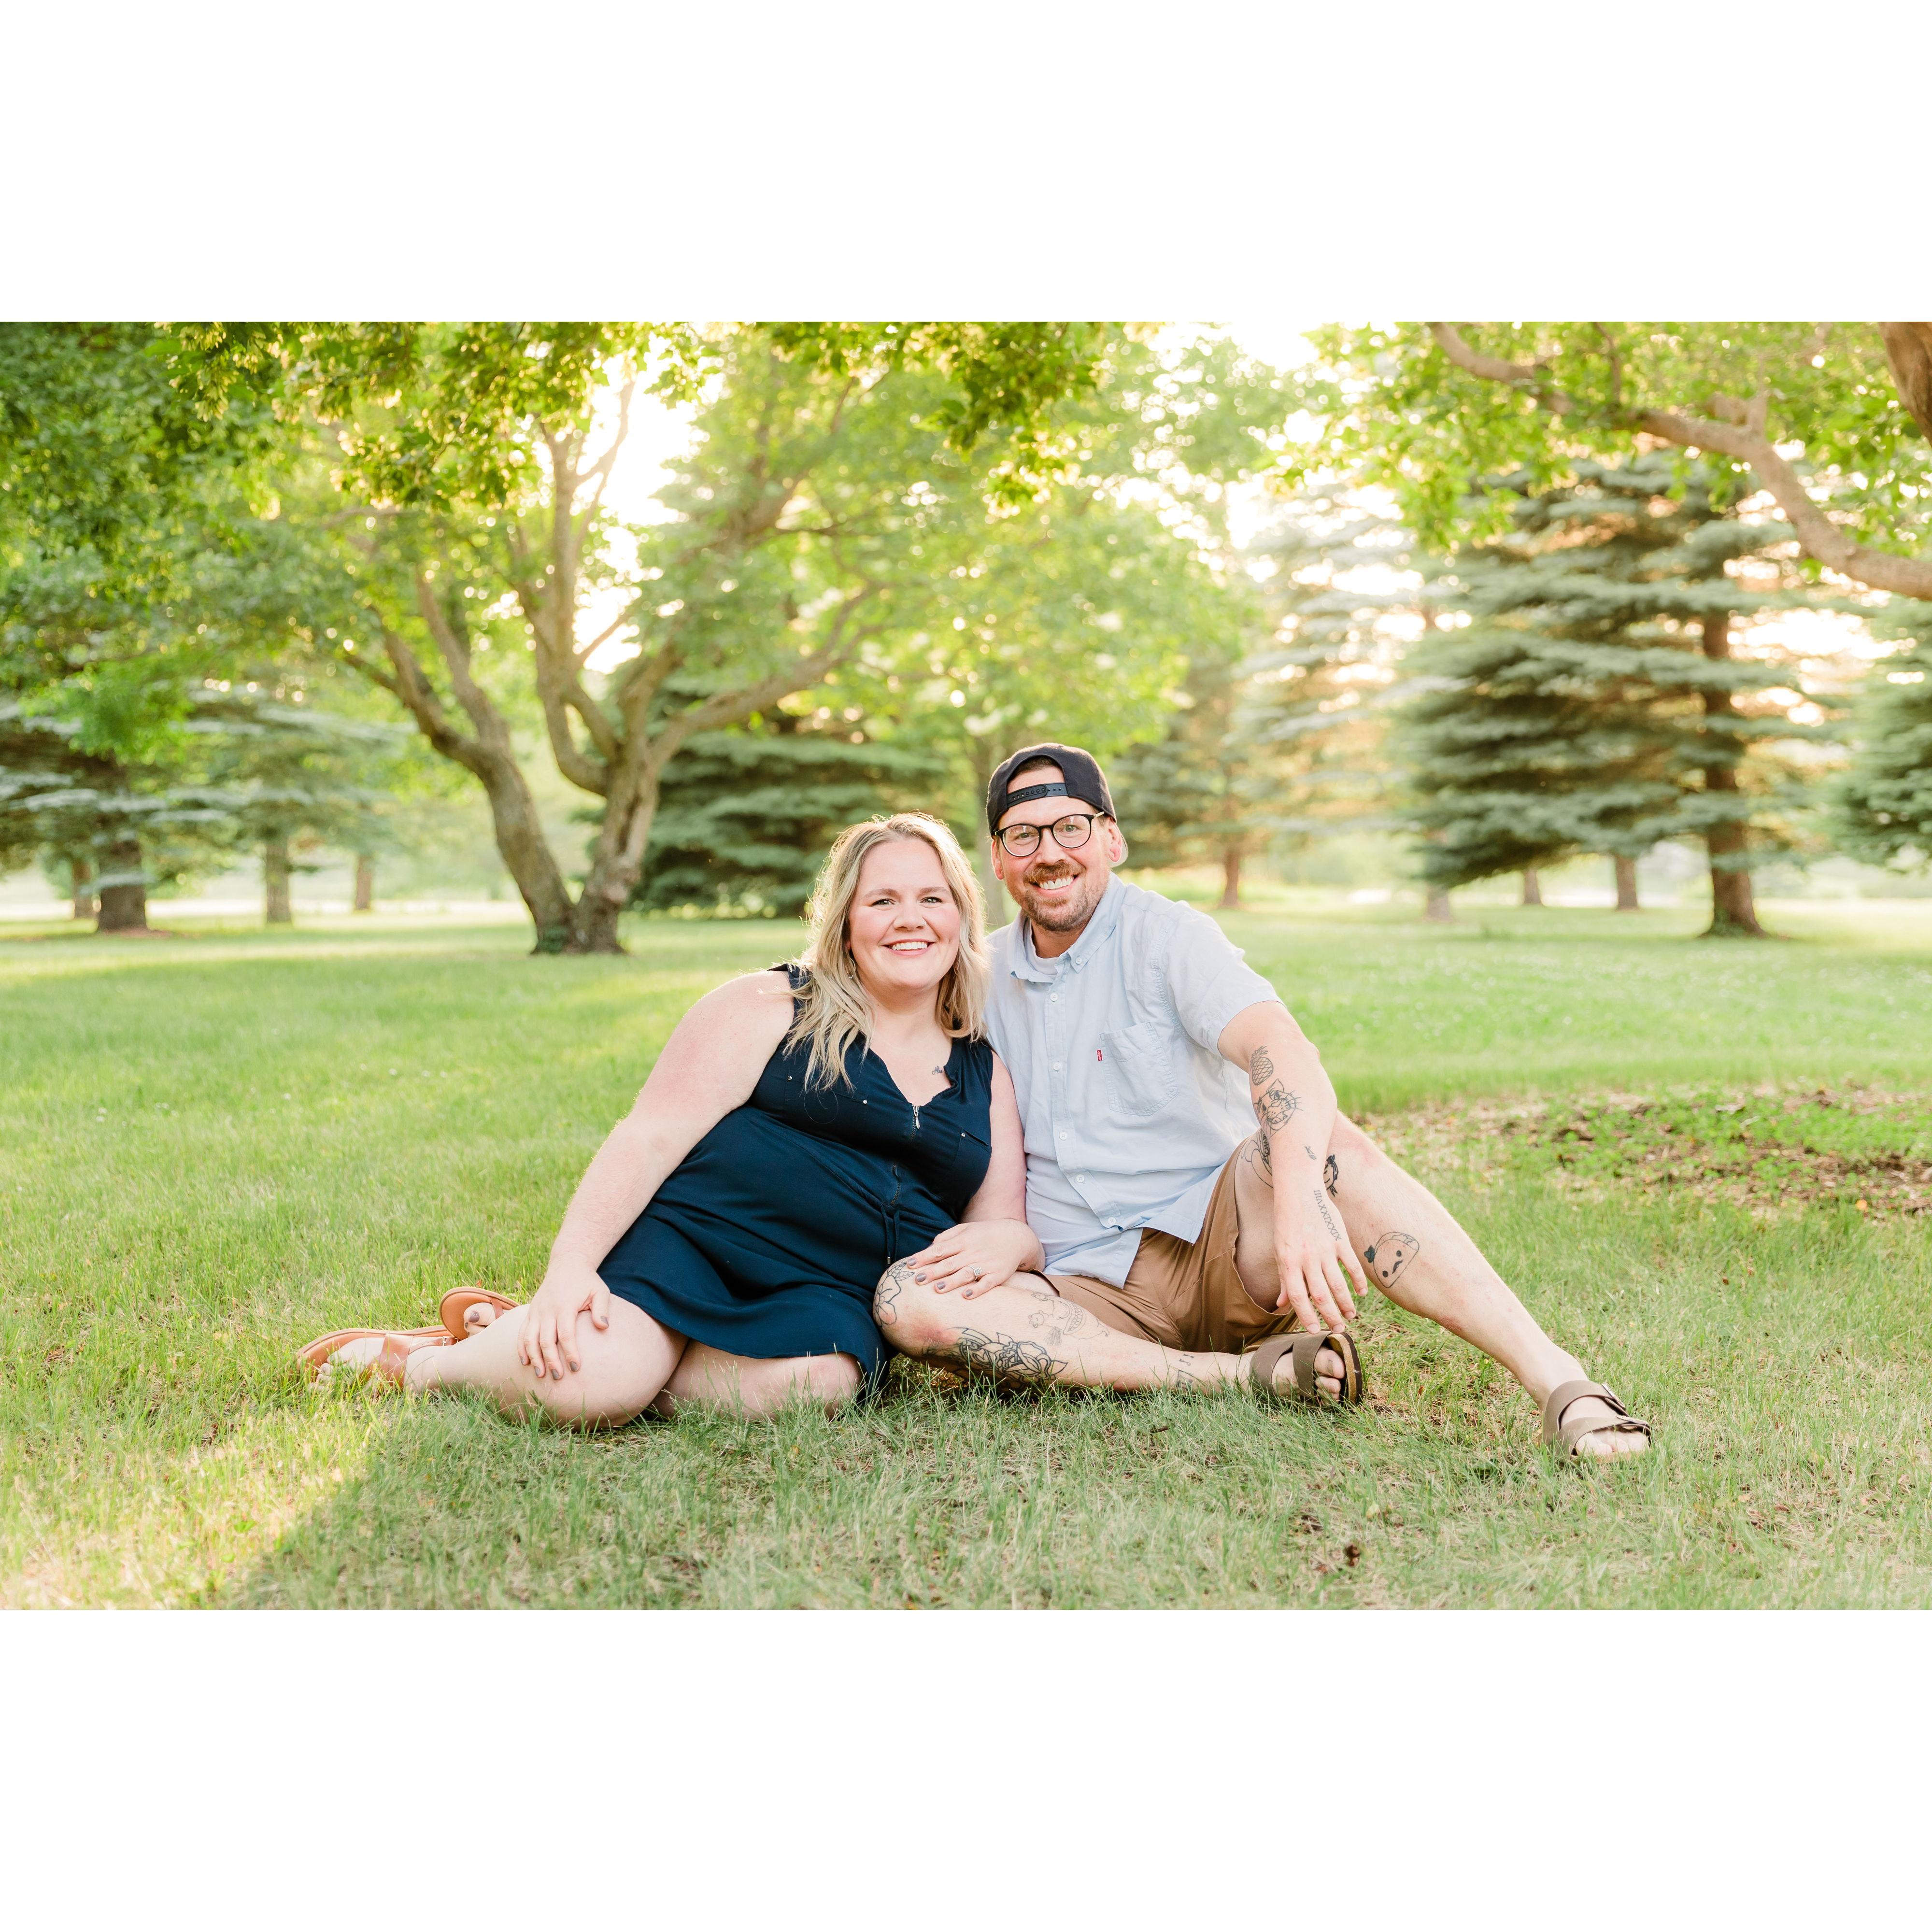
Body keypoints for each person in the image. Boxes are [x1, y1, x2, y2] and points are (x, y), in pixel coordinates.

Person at [873, 743, 1654, 1458]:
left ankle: (1563, 1383)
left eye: (1070, 827)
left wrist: (1304, 1195)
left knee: (1330, 1146)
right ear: (998, 861)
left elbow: (1281, 1050)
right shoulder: (973, 978)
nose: (1049, 853)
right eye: (1023, 835)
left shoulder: (1169, 939)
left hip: (1227, 1250)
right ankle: (1241, 1377)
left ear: (1111, 839)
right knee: (911, 1302)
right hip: (1079, 1293)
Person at [297, 814, 1042, 1423]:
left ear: (962, 917)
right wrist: (570, 1269)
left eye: (932, 899)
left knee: (816, 1389)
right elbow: (648, 1138)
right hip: (696, 1245)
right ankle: (426, 1364)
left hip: (829, 1294)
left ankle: (570, 1352)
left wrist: (1015, 1243)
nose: (910, 920)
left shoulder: (986, 1072)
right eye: (882, 901)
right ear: (845, 920)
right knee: (589, 1388)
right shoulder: (771, 1006)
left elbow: (1002, 1224)